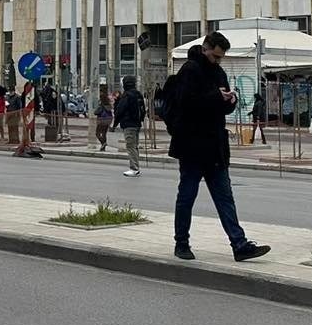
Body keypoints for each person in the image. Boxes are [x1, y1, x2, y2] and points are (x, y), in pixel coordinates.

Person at [165, 34, 270, 263]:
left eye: (221, 57)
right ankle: (181, 242)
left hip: (214, 147)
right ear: (205, 49)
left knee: (225, 198)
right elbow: (186, 103)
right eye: (215, 56)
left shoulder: (219, 72)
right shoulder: (189, 71)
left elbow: (219, 108)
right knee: (186, 196)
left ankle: (239, 245)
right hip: (192, 146)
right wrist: (215, 96)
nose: (217, 61)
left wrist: (229, 102)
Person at [113, 76, 147, 176]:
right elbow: (143, 110)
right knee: (134, 146)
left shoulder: (127, 95)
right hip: (137, 124)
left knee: (131, 146)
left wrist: (115, 124)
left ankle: (134, 169)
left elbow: (120, 111)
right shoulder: (138, 94)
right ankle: (135, 167)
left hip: (129, 124)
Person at [93, 85, 114, 150]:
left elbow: (98, 111)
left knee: (97, 133)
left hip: (102, 119)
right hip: (109, 118)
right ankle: (103, 147)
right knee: (104, 133)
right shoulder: (108, 99)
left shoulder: (102, 98)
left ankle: (103, 143)